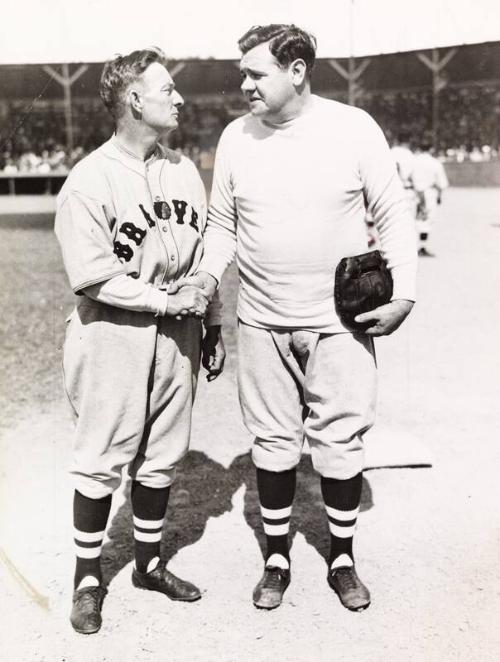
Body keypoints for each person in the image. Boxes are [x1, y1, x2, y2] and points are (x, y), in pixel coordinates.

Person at [177, 24, 417, 612]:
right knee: (273, 443)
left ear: (297, 71)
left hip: (341, 322)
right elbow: (222, 225)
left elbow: (393, 212)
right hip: (262, 319)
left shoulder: (352, 128)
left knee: (339, 441)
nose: (244, 84)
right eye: (243, 73)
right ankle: (277, 556)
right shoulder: (237, 137)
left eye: (256, 73)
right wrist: (208, 277)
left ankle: (341, 557)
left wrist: (405, 293)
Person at [54, 47, 225, 635]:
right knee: (101, 458)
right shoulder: (89, 179)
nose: (178, 98)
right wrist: (165, 300)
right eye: (166, 89)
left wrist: (214, 324)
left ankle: (149, 564)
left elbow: (202, 257)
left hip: (179, 333)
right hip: (112, 333)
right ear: (134, 100)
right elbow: (93, 275)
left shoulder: (181, 169)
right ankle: (86, 579)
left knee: (161, 457)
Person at [410, 142, 449, 256]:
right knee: (426, 220)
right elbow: (442, 183)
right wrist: (439, 196)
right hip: (429, 192)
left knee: (413, 220)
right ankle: (422, 246)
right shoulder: (435, 163)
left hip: (414, 192)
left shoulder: (413, 161)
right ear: (431, 149)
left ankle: (412, 247)